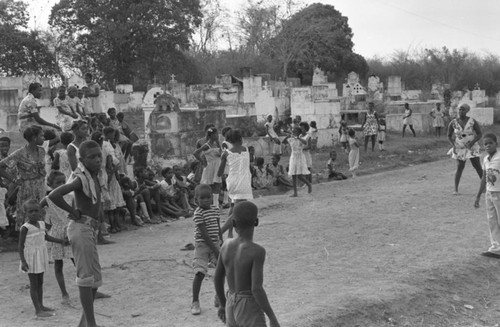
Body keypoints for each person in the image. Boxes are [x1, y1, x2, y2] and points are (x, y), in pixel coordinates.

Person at [48, 140, 105, 327]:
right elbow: (54, 195)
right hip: (81, 229)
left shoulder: (94, 176)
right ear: (83, 160)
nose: (97, 159)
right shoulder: (81, 178)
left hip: (89, 229)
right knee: (86, 278)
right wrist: (72, 212)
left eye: (99, 155)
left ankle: (84, 323)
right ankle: (91, 323)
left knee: (95, 280)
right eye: (92, 157)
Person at [214, 201, 280, 327]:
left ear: (233, 223)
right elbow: (256, 289)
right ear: (256, 222)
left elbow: (217, 278)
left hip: (230, 302)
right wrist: (272, 317)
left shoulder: (226, 245)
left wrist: (223, 304)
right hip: (248, 306)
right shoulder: (257, 251)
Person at [19, 199, 68, 318]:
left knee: (40, 281)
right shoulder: (25, 228)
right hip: (30, 257)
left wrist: (60, 241)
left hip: (41, 255)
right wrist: (23, 262)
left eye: (36, 210)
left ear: (40, 211)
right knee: (34, 283)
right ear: (26, 213)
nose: (34, 213)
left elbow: (46, 237)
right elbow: (20, 246)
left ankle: (41, 305)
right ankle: (37, 310)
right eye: (31, 211)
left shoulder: (41, 224)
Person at [0, 126, 47, 226]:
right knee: (28, 215)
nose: (44, 138)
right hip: (27, 189)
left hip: (41, 188)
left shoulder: (42, 151)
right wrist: (14, 179)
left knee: (40, 215)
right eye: (41, 136)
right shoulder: (20, 153)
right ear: (34, 137)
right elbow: (1, 166)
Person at [191, 184, 223, 316]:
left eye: (208, 197)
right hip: (203, 244)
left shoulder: (215, 210)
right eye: (202, 198)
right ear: (196, 200)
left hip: (215, 242)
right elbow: (205, 235)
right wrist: (216, 250)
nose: (205, 200)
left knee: (220, 271)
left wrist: (221, 241)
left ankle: (219, 297)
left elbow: (218, 227)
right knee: (200, 272)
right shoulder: (198, 213)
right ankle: (195, 301)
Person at [42, 171, 74, 303]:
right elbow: (36, 208)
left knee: (78, 262)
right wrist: (42, 224)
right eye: (57, 183)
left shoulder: (70, 197)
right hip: (56, 233)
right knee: (58, 264)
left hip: (70, 230)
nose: (61, 185)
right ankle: (64, 293)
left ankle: (89, 288)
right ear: (50, 184)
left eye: (63, 182)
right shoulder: (48, 199)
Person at [217, 129, 253, 237]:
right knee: (236, 212)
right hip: (244, 182)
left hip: (232, 181)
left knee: (233, 207)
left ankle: (230, 233)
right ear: (240, 139)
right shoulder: (246, 149)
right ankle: (219, 234)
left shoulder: (226, 153)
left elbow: (219, 173)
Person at [447, 103, 483, 195]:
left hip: (472, 146)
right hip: (460, 147)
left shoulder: (472, 121)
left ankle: (486, 187)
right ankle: (456, 189)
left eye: (463, 109)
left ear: (467, 111)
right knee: (460, 167)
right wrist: (453, 145)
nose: (461, 111)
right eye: (459, 109)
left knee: (477, 166)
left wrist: (472, 142)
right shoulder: (453, 122)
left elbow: (479, 134)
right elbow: (449, 135)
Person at [474, 133, 500, 258]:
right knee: (492, 221)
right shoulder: (485, 159)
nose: (488, 145)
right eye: (485, 144)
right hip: (489, 193)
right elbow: (484, 178)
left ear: (496, 144)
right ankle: (496, 248)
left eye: (490, 143)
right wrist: (478, 195)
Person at [193, 127, 222, 207]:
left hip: (217, 166)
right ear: (211, 135)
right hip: (210, 167)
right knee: (210, 186)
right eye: (215, 134)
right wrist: (203, 162)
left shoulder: (216, 144)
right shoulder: (206, 145)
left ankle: (216, 205)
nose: (217, 136)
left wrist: (218, 143)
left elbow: (220, 153)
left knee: (217, 186)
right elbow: (195, 153)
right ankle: (211, 205)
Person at [283, 127, 312, 197]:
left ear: (299, 133)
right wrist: (288, 135)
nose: (293, 132)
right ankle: (295, 193)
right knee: (293, 175)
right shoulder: (291, 139)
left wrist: (298, 138)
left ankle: (308, 184)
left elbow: (305, 142)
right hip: (293, 157)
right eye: (293, 131)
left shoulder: (301, 139)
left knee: (299, 175)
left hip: (300, 157)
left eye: (295, 131)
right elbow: (283, 142)